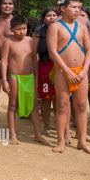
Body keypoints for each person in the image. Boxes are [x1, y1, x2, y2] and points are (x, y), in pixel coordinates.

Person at [47, 0, 90, 153]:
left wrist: (85, 70)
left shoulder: (82, 27)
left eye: (79, 7)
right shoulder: (55, 27)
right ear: (63, 8)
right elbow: (53, 52)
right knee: (62, 105)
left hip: (81, 72)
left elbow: (89, 50)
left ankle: (81, 140)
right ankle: (61, 141)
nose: (77, 10)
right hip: (62, 71)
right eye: (73, 7)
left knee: (81, 106)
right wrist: (67, 71)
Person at [1, 15, 51, 145]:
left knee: (34, 106)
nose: (21, 31)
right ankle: (12, 134)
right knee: (13, 105)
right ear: (12, 29)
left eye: (24, 28)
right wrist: (4, 80)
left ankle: (37, 134)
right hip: (14, 77)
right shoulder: (8, 42)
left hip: (30, 77)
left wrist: (36, 76)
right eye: (18, 29)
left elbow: (35, 59)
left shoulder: (30, 41)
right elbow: (4, 62)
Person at [32, 7, 59, 135]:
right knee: (46, 97)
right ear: (43, 18)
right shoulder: (39, 32)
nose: (52, 17)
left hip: (59, 66)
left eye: (54, 15)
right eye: (48, 15)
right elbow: (33, 54)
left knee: (60, 98)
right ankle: (47, 125)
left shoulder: (63, 30)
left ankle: (61, 126)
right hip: (44, 67)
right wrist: (36, 73)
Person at [0, 0, 15, 128]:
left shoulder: (18, 22)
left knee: (13, 94)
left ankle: (13, 125)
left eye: (10, 3)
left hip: (13, 62)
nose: (7, 6)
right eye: (5, 3)